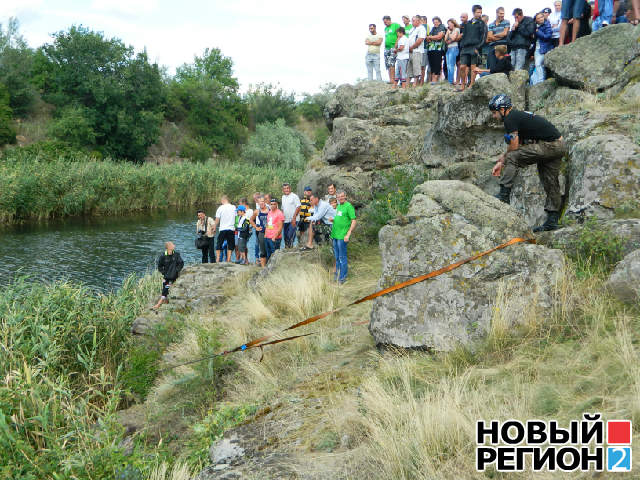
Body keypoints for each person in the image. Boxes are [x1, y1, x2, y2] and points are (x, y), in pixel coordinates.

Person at [489, 94, 568, 232]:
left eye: (494, 113)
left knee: (513, 157)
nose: (494, 116)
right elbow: (518, 143)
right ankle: (552, 221)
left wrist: (504, 159)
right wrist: (501, 161)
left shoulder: (510, 118)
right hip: (559, 146)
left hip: (550, 146)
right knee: (550, 181)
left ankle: (504, 195)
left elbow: (513, 148)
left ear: (503, 109)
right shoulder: (518, 116)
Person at [457, 5, 488, 92]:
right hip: (465, 48)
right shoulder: (467, 23)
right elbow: (463, 35)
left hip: (475, 47)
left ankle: (471, 85)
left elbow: (484, 37)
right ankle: (463, 85)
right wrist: (462, 45)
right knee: (462, 66)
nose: (479, 14)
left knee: (473, 68)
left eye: (481, 12)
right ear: (473, 12)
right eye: (478, 12)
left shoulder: (482, 23)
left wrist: (478, 48)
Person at [331, 191, 357, 284]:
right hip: (335, 235)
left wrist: (348, 234)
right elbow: (340, 218)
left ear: (345, 196)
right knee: (337, 257)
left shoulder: (348, 206)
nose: (340, 198)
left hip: (343, 236)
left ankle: (342, 278)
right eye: (339, 196)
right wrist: (333, 220)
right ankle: (337, 276)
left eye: (342, 196)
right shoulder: (338, 206)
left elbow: (353, 221)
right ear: (337, 197)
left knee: (342, 257)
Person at [152, 242, 184, 311]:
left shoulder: (176, 255)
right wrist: (164, 273)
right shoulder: (163, 256)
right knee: (165, 287)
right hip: (166, 276)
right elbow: (159, 266)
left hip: (174, 276)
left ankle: (159, 303)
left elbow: (181, 263)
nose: (174, 245)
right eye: (172, 244)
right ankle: (165, 301)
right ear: (169, 247)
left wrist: (176, 270)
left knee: (166, 288)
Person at [531, 12, 554, 85]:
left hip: (544, 48)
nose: (540, 19)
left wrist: (538, 32)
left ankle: (541, 81)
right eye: (538, 18)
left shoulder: (547, 25)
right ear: (536, 20)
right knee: (538, 65)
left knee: (538, 64)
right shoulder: (535, 27)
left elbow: (547, 36)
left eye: (541, 17)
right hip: (537, 49)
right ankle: (539, 81)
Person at [213, 195, 236, 263]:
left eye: (221, 201)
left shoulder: (220, 208)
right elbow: (236, 217)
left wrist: (214, 227)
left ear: (223, 200)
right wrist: (236, 226)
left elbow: (217, 219)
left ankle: (217, 259)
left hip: (223, 228)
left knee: (219, 244)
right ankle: (228, 259)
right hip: (231, 228)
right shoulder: (233, 207)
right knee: (230, 244)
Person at [487, 7, 511, 72]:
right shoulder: (491, 24)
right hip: (493, 46)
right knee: (492, 64)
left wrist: (493, 36)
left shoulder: (507, 22)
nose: (502, 15)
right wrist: (499, 36)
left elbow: (504, 33)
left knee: (502, 65)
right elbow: (489, 36)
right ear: (497, 13)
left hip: (502, 46)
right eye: (501, 13)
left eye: (503, 13)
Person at [407, 16, 427, 87]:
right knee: (409, 67)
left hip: (417, 51)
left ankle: (415, 83)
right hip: (410, 51)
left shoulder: (421, 28)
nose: (412, 22)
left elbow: (420, 40)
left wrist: (412, 47)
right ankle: (407, 84)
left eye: (414, 21)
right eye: (412, 21)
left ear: (418, 21)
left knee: (416, 67)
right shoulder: (412, 29)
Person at [250, 195, 270, 267]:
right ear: (258, 203)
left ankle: (271, 265)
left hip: (270, 232)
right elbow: (251, 220)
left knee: (270, 249)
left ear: (265, 202)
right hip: (261, 232)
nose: (261, 203)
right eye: (259, 202)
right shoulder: (257, 211)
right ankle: (263, 268)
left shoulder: (270, 209)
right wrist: (256, 227)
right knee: (262, 250)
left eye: (262, 201)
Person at [426, 17, 447, 84]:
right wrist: (431, 37)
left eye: (436, 22)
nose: (435, 23)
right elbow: (427, 39)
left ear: (439, 22)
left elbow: (439, 37)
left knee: (437, 63)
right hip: (431, 48)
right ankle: (433, 79)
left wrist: (430, 37)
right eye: (434, 22)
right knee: (432, 64)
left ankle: (436, 79)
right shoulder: (433, 28)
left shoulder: (442, 27)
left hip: (438, 49)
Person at [281, 182, 301, 249]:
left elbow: (298, 207)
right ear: (283, 190)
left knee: (290, 236)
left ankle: (290, 251)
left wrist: (294, 218)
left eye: (287, 188)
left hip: (294, 220)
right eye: (285, 189)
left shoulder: (294, 196)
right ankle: (287, 250)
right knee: (285, 237)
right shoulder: (283, 197)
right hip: (285, 220)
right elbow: (282, 209)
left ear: (290, 188)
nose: (286, 190)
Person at [383, 16, 401, 83]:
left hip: (393, 47)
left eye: (386, 22)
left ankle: (393, 80)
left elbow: (399, 35)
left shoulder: (396, 25)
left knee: (391, 63)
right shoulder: (386, 28)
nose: (385, 23)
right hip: (386, 48)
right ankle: (390, 79)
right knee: (387, 64)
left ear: (389, 20)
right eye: (384, 22)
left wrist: (396, 45)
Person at [444, 19, 461, 85]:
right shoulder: (448, 30)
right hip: (448, 48)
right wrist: (448, 32)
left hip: (454, 48)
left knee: (451, 65)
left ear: (453, 23)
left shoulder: (457, 29)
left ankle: (451, 81)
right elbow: (445, 40)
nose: (448, 25)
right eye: (448, 24)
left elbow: (453, 38)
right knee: (448, 65)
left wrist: (449, 38)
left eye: (449, 24)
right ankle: (450, 80)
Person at [457, 13, 469, 85]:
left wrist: (460, 35)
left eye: (463, 17)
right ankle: (461, 81)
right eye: (461, 17)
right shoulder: (460, 26)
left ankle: (465, 81)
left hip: (467, 47)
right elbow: (458, 37)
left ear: (467, 17)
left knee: (466, 65)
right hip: (460, 47)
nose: (462, 18)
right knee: (460, 64)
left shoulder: (469, 25)